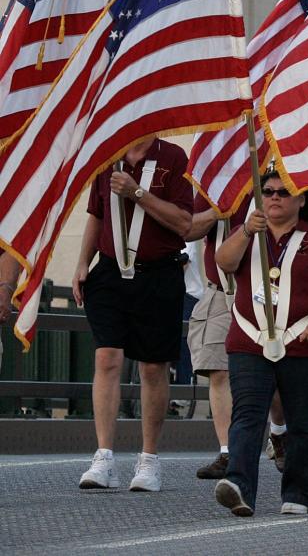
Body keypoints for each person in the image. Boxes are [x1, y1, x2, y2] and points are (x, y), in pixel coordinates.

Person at [212, 172, 308, 516]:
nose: (274, 197)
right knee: (247, 415)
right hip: (249, 341)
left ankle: (299, 494)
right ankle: (239, 486)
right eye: (268, 191)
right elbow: (223, 263)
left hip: (302, 340)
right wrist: (244, 230)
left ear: (301, 200)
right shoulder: (248, 235)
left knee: (301, 420)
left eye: (284, 192)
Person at [74, 136, 193, 493]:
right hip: (111, 271)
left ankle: (149, 460)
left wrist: (138, 192)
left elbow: (184, 221)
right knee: (107, 357)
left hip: (159, 271)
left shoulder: (172, 157)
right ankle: (104, 456)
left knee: (153, 366)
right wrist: (83, 262)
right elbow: (96, 214)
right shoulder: (106, 156)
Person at [186, 195, 250, 480]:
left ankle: (279, 433)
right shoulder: (215, 183)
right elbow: (189, 230)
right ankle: (228, 452)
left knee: (274, 371)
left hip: (267, 292)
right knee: (219, 372)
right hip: (220, 292)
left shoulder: (276, 181)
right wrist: (217, 211)